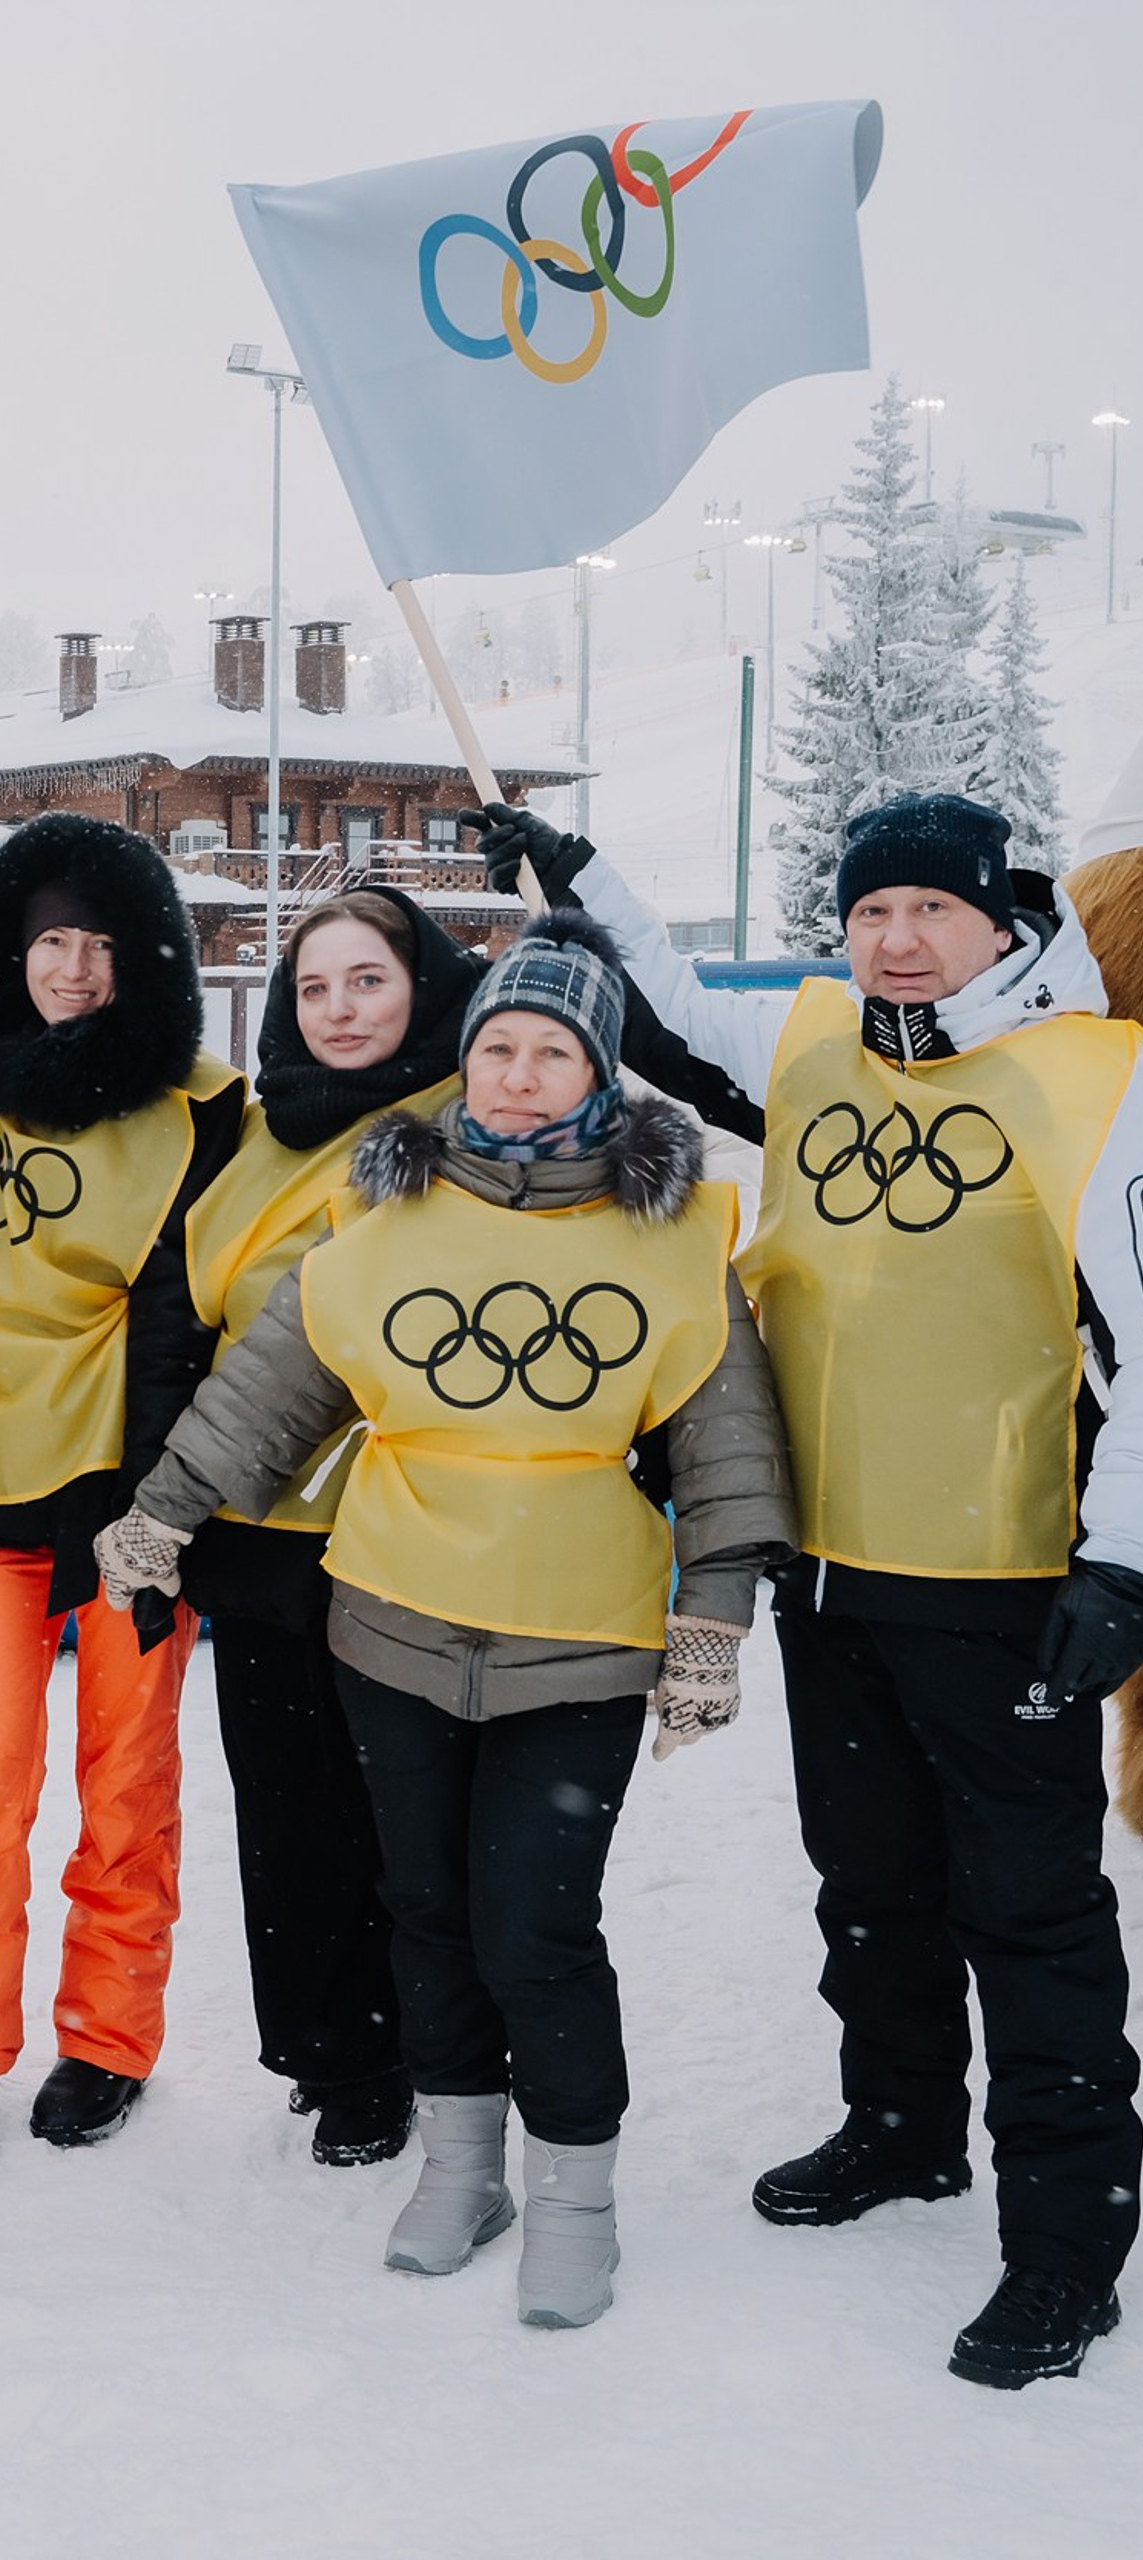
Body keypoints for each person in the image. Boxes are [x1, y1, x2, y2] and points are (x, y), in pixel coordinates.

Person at [476, 791, 1143, 2387]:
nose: (898, 940)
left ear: (1001, 920)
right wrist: (580, 874)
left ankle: (1067, 2249)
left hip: (1005, 1578)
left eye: (932, 910)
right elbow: (668, 1009)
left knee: (1031, 1914)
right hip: (834, 1568)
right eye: (870, 913)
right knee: (870, 1881)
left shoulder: (1098, 1078)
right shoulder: (816, 1041)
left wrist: (1122, 1560)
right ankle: (901, 2126)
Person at [98, 910, 796, 2328]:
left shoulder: (672, 1242)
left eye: (552, 1053)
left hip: (576, 1640)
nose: (519, 1078)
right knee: (422, 1908)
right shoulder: (385, 1219)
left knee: (534, 1927)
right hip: (394, 1621)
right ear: (465, 1064)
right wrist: (162, 1513)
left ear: (598, 1073)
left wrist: (711, 1621)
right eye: (498, 1051)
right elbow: (268, 1389)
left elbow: (727, 1448)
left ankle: (575, 2196)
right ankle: (463, 2166)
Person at [0, 812, 244, 2176]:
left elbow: (191, 1319)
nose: (75, 970)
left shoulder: (205, 1112)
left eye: (103, 944)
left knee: (127, 1780)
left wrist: (155, 1508)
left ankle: (107, 2039)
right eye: (51, 941)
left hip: (133, 1506)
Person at [177, 888, 473, 2168]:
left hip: (411, 1526)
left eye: (368, 981)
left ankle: (430, 2045)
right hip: (258, 1525)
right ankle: (334, 2051)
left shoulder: (472, 1118)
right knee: (289, 1810)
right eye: (313, 987)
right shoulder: (254, 1134)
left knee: (408, 1810)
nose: (339, 1011)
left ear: (423, 987)